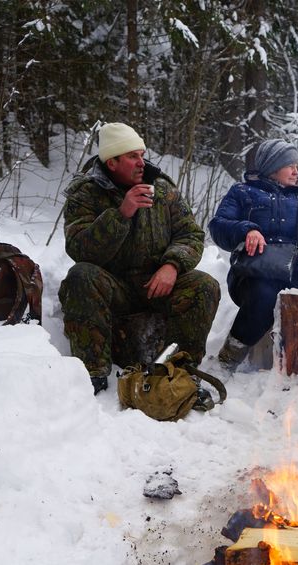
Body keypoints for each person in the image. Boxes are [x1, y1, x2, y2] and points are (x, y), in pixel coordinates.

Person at [59, 122, 220, 395]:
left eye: (141, 155)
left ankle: (179, 371)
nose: (140, 162)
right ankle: (93, 374)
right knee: (81, 276)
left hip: (157, 283)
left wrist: (172, 265)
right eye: (132, 156)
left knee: (204, 286)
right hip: (114, 286)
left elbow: (191, 234)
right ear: (112, 162)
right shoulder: (85, 193)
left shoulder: (161, 188)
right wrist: (121, 214)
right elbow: (79, 249)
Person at [209, 139, 298, 372]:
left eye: (297, 164)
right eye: (289, 164)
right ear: (271, 167)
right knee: (265, 294)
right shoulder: (242, 192)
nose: (296, 170)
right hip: (252, 274)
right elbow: (218, 226)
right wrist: (246, 229)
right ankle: (228, 359)